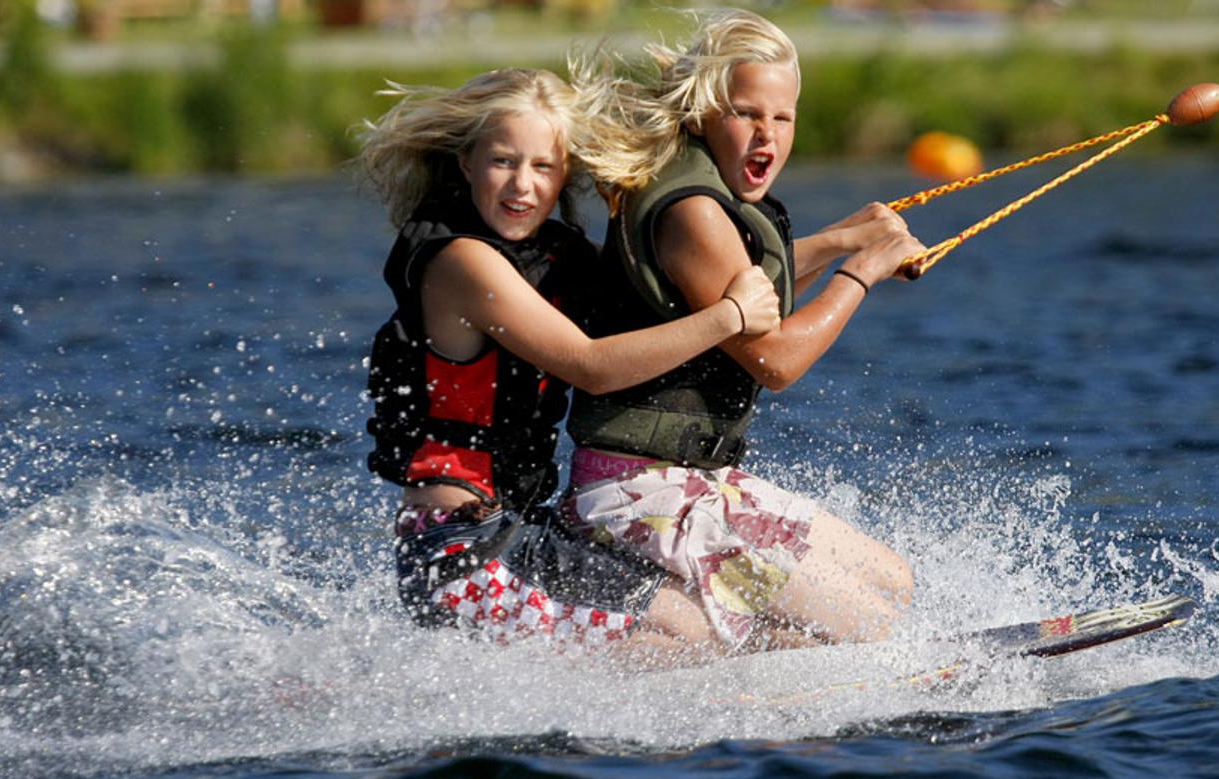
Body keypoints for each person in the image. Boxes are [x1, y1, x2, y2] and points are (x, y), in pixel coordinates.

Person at [358, 68, 783, 648]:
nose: (522, 186)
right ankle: (749, 713)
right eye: (503, 162)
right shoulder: (461, 261)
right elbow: (589, 364)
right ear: (466, 164)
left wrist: (841, 247)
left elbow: (682, 283)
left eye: (543, 167)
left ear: (565, 176)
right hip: (459, 555)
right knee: (688, 639)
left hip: (525, 534)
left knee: (716, 615)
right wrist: (730, 316)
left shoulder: (554, 253)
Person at [560, 10, 928, 655]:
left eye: (781, 118)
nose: (767, 135)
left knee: (892, 583)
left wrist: (842, 238)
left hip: (697, 481)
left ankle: (720, 670)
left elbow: (749, 286)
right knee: (870, 624)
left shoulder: (700, 194)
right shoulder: (694, 213)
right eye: (745, 114)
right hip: (638, 492)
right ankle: (675, 661)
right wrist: (859, 273)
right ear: (703, 114)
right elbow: (777, 361)